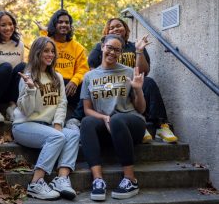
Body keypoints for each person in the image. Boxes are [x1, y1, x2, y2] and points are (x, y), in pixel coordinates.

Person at [68, 17, 178, 143]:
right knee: (91, 85)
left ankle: (160, 125)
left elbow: (142, 72)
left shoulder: (134, 46)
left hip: (131, 84)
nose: (115, 29)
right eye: (111, 27)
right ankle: (77, 117)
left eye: (118, 26)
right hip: (110, 85)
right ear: (106, 34)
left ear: (125, 29)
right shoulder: (101, 47)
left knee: (148, 82)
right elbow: (92, 71)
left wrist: (139, 51)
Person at [12, 37, 80, 201]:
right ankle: (36, 183)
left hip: (47, 126)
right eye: (46, 51)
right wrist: (30, 89)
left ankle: (62, 179)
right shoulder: (27, 76)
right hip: (24, 126)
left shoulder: (57, 77)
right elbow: (27, 111)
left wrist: (58, 124)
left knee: (73, 134)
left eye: (52, 51)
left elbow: (62, 103)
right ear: (37, 52)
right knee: (57, 136)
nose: (50, 54)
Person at [80, 34, 146, 201]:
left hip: (131, 124)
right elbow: (87, 109)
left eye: (117, 50)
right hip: (107, 127)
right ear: (102, 46)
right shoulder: (89, 77)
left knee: (117, 119)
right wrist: (104, 118)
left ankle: (131, 180)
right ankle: (98, 180)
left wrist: (138, 89)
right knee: (87, 122)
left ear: (121, 53)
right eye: (110, 47)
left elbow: (141, 109)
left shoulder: (129, 72)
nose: (112, 52)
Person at [35, 9, 89, 110]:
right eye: (60, 22)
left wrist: (75, 81)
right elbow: (39, 50)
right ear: (54, 24)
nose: (64, 24)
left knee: (88, 84)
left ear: (70, 26)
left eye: (67, 22)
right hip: (49, 81)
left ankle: (75, 119)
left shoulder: (78, 47)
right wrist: (45, 30)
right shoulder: (47, 43)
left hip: (69, 85)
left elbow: (83, 69)